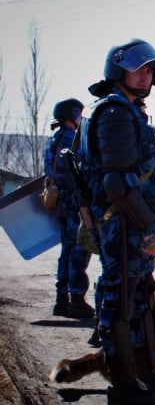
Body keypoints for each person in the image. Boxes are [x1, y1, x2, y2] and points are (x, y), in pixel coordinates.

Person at [83, 39, 155, 405]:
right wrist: (148, 228)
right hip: (123, 223)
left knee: (139, 299)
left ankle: (147, 373)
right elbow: (116, 181)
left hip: (132, 221)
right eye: (138, 70)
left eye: (149, 72)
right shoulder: (114, 113)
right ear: (118, 71)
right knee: (120, 300)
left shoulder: (130, 110)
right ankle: (123, 385)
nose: (145, 77)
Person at [44, 98, 94, 319]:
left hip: (60, 202)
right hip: (75, 201)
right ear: (72, 114)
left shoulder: (52, 141)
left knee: (66, 250)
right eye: (79, 113)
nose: (81, 118)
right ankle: (77, 300)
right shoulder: (72, 139)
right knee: (78, 250)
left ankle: (61, 300)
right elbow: (82, 169)